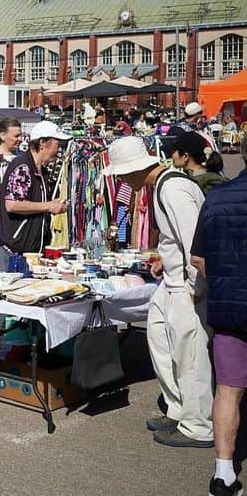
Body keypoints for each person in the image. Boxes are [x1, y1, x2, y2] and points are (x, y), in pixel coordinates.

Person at [103, 136, 212, 449]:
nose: (121, 181)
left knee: (189, 353)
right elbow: (178, 240)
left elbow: (194, 243)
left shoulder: (172, 188)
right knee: (161, 338)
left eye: (122, 174)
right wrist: (164, 260)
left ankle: (198, 424)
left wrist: (195, 288)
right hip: (174, 280)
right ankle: (179, 407)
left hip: (186, 284)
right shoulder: (165, 185)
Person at [190, 138, 247, 496]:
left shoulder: (217, 197)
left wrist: (225, 279)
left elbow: (199, 258)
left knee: (228, 388)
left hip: (230, 308)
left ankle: (223, 474)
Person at [0, 121, 70, 270]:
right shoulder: (23, 167)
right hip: (12, 251)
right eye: (58, 144)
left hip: (29, 251)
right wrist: (49, 206)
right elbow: (12, 204)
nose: (60, 150)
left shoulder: (41, 171)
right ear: (43, 143)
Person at [168, 129, 227, 194]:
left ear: (185, 156)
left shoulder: (204, 184)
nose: (172, 155)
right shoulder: (211, 174)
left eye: (173, 151)